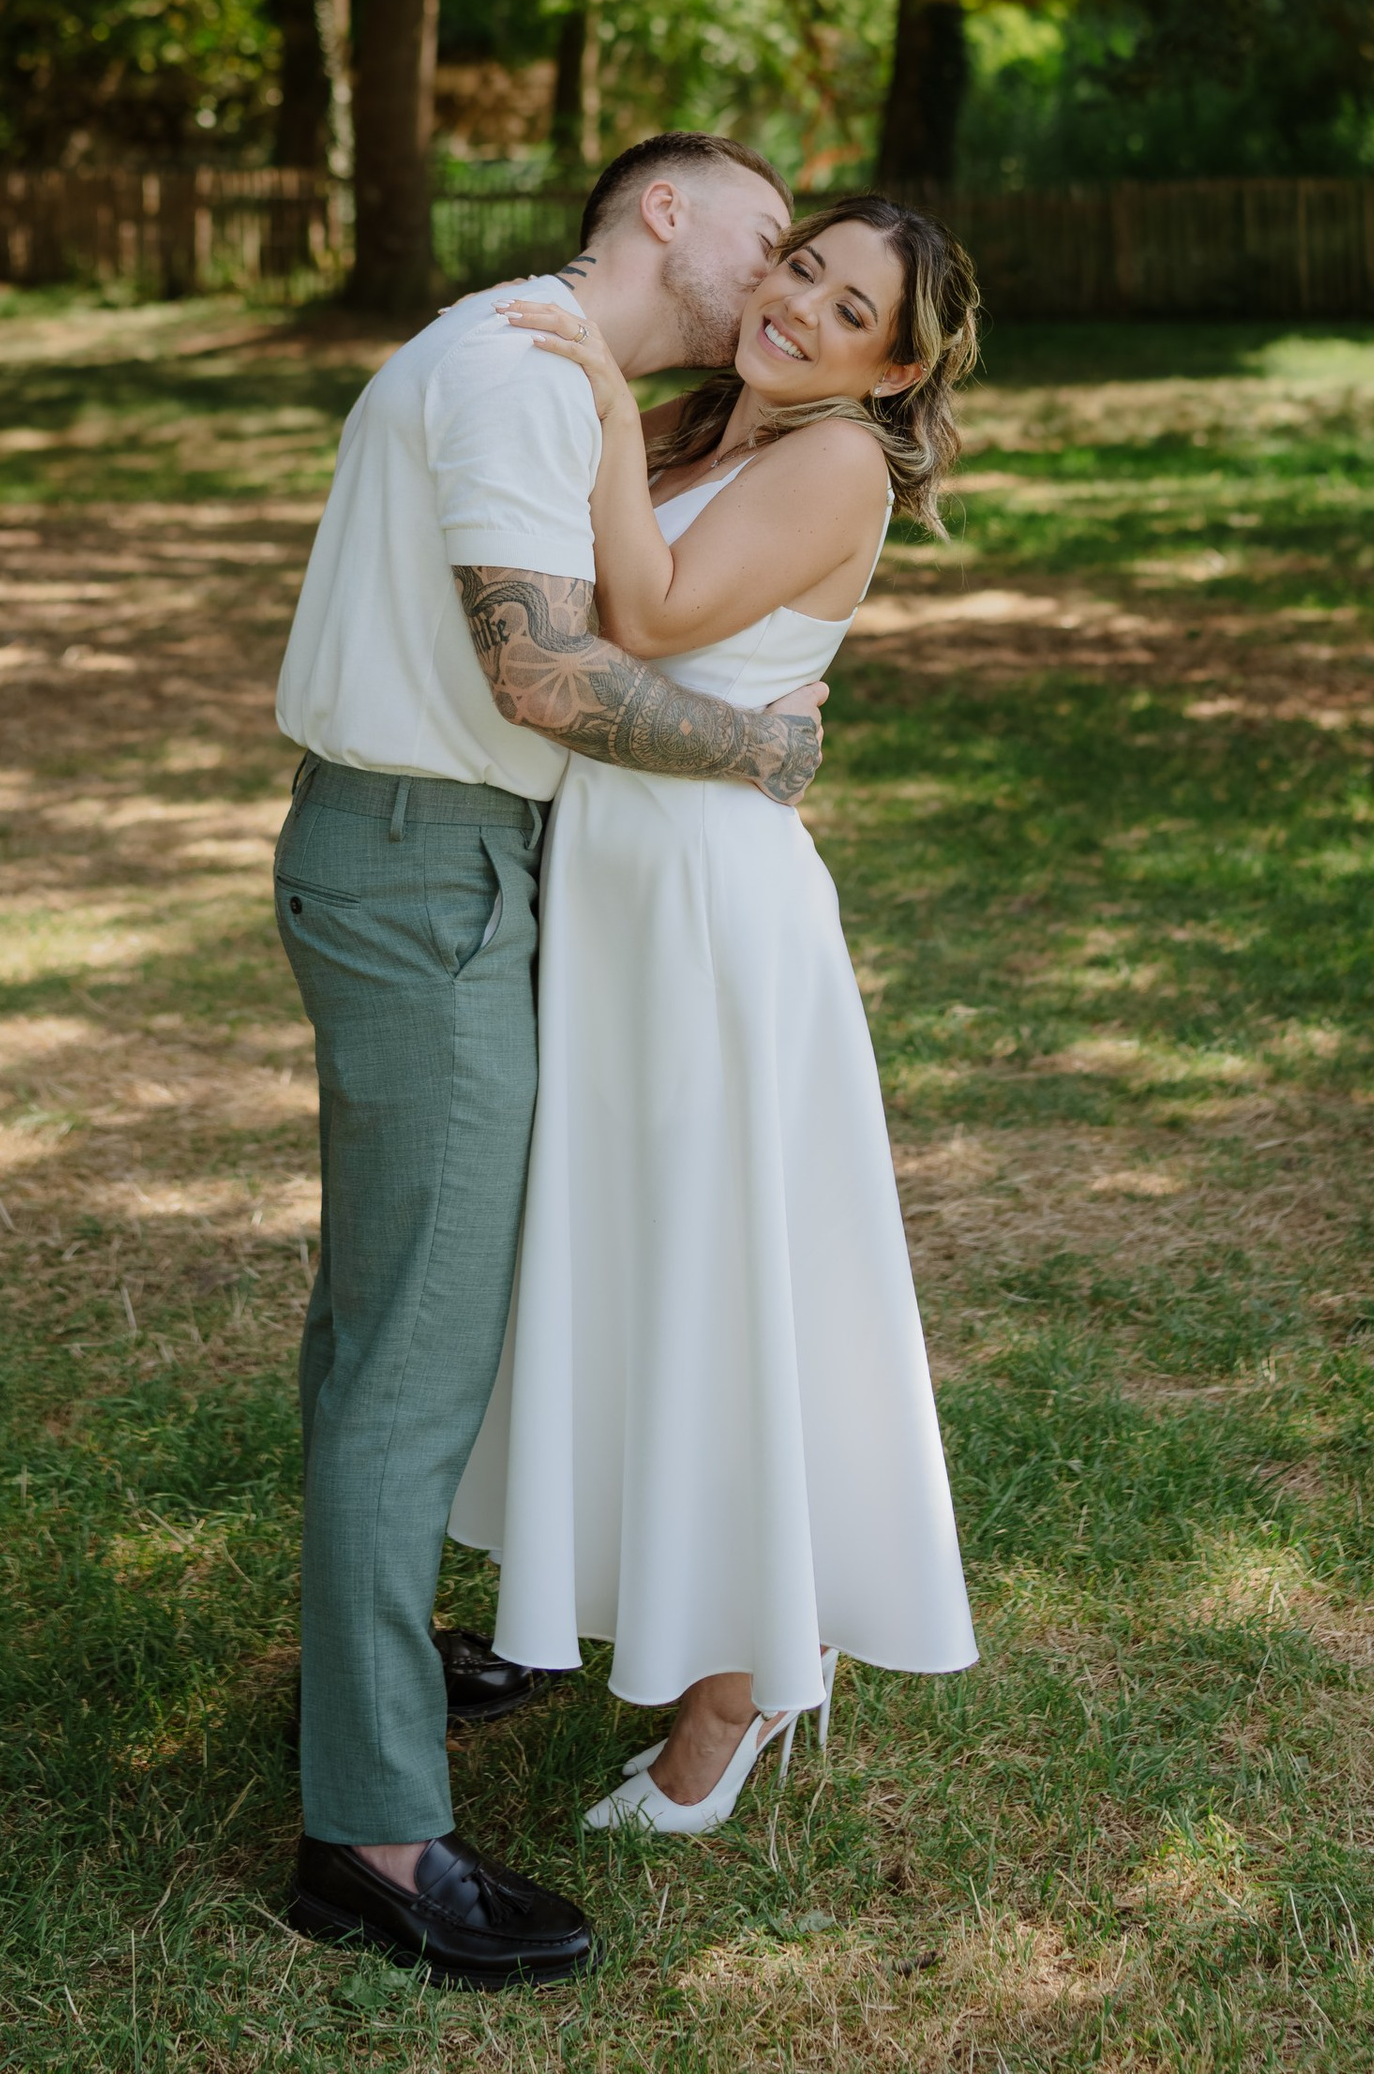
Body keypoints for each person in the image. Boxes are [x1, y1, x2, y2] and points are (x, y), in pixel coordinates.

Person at [270, 133, 828, 1988]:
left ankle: (380, 1675)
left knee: (397, 1327)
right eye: (767, 229)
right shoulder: (517, 366)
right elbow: (548, 676)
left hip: (439, 859)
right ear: (666, 210)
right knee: (414, 1356)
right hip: (428, 866)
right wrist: (758, 752)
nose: (777, 273)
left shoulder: (510, 359)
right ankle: (373, 1831)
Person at [449, 192, 981, 1830]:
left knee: (716, 1276)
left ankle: (742, 1697)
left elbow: (657, 617)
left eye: (848, 312)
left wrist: (604, 404)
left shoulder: (834, 461)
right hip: (623, 883)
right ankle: (681, 1610)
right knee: (637, 1269)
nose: (803, 309)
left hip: (703, 906)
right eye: (803, 268)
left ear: (892, 375)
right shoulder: (721, 429)